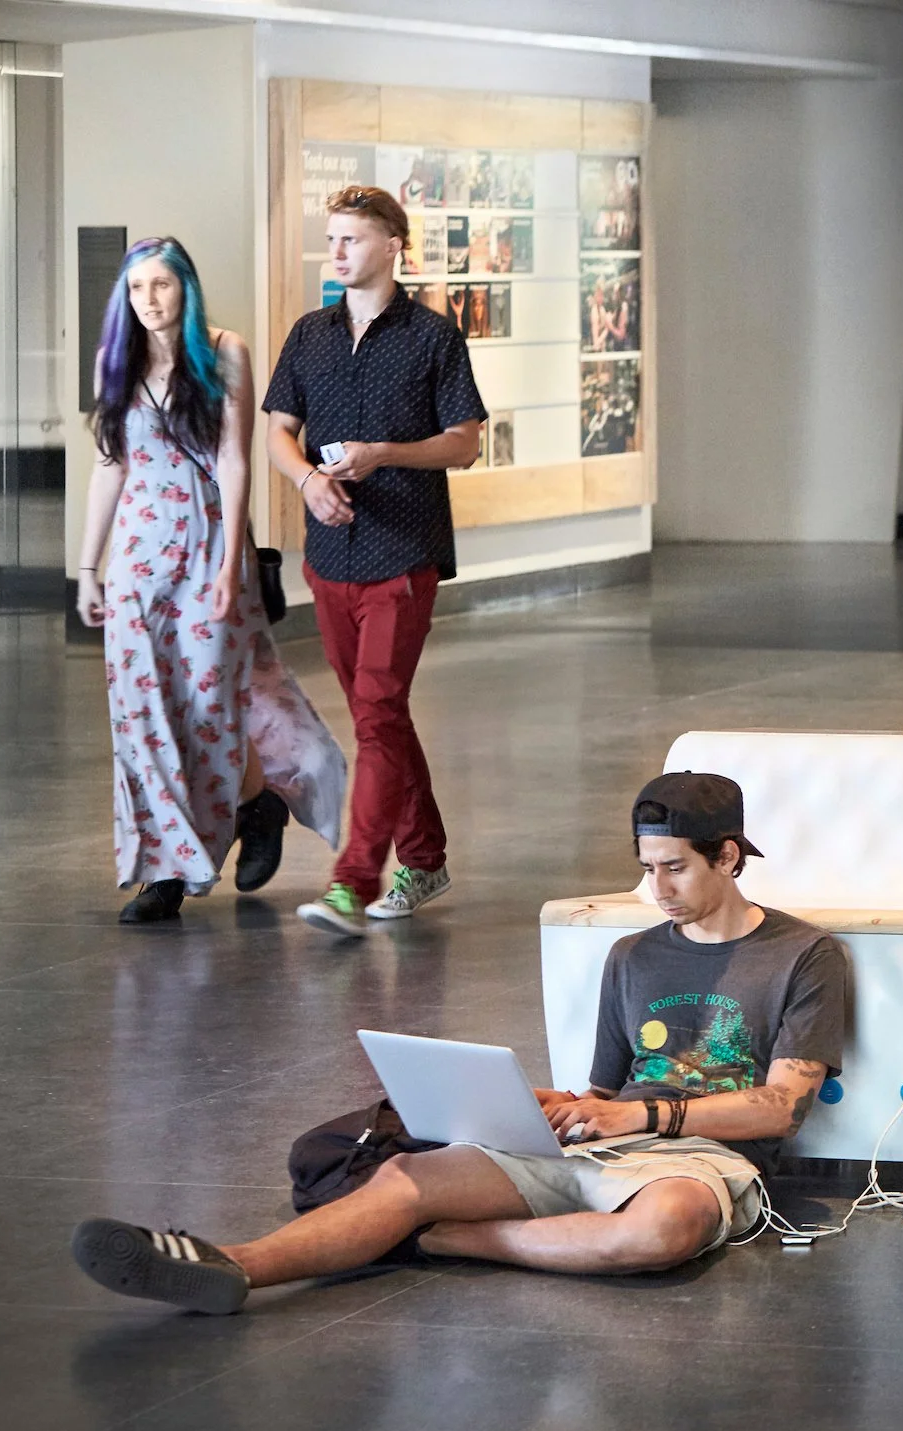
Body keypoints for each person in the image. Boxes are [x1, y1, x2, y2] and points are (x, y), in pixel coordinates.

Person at [69, 773, 850, 1313]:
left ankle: (442, 1242)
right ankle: (229, 1264)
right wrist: (568, 1109)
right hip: (597, 1147)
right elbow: (606, 1095)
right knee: (409, 1173)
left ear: (728, 855)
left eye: (675, 869)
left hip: (704, 1159)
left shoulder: (802, 955)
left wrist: (638, 1123)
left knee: (660, 1231)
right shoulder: (632, 956)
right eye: (647, 870)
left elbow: (780, 1109)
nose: (657, 890)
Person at [73, 236, 345, 923]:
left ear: (185, 288)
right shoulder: (117, 360)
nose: (149, 301)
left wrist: (231, 566)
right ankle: (166, 868)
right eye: (136, 290)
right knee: (141, 714)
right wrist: (87, 567)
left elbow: (233, 462)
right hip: (137, 555)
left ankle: (253, 805)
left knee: (206, 706)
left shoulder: (225, 351)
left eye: (161, 286)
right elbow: (110, 465)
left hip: (205, 547)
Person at [265, 185, 487, 939]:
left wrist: (384, 454)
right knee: (376, 716)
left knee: (379, 712)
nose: (335, 253)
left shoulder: (433, 338)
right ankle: (424, 857)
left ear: (393, 245)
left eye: (350, 239)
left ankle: (351, 884)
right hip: (329, 556)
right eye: (330, 239)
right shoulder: (309, 335)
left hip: (404, 554)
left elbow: (464, 441)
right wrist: (307, 480)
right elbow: (277, 432)